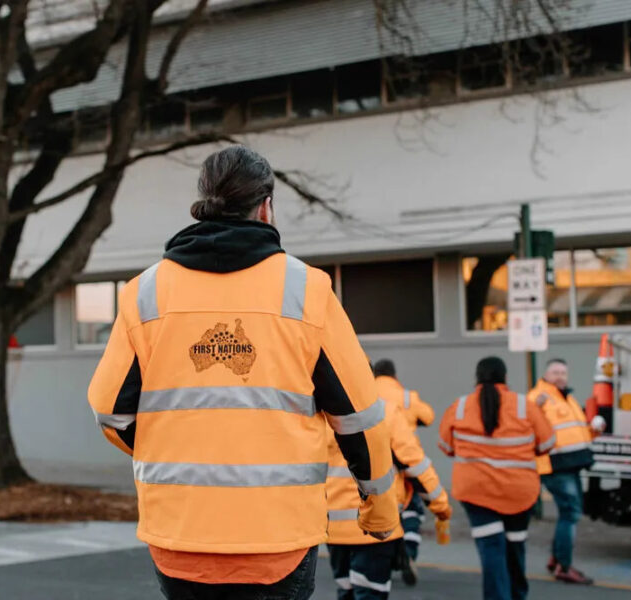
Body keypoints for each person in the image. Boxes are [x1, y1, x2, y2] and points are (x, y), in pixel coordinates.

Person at [88, 145, 399, 600]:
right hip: (278, 540)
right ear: (266, 206)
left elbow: (108, 410)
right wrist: (379, 506)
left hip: (180, 535)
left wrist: (170, 443)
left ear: (202, 203)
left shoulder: (145, 293)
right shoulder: (306, 290)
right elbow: (360, 416)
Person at [439, 357, 555, 600]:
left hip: (476, 491)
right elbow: (547, 444)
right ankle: (517, 595)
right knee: (515, 548)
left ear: (477, 378)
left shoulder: (460, 407)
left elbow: (446, 446)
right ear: (505, 377)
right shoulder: (524, 406)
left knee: (491, 549)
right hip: (519, 493)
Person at [327, 378, 451, 599]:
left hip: (334, 529)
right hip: (376, 525)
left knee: (345, 592)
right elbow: (416, 465)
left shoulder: (326, 412)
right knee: (370, 593)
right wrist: (441, 507)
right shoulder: (386, 412)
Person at [528, 358, 606, 585]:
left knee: (569, 513)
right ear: (546, 375)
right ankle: (563, 565)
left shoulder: (567, 398)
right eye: (555, 372)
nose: (560, 376)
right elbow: (527, 421)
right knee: (570, 514)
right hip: (555, 464)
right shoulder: (538, 397)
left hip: (571, 463)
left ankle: (557, 559)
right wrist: (537, 408)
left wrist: (594, 430)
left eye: (563, 372)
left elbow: (575, 434)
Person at [372, 358, 434, 583]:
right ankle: (409, 551)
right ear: (394, 376)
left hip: (376, 464)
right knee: (411, 510)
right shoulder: (407, 397)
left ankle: (384, 557)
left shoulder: (365, 393)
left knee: (382, 512)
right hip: (405, 461)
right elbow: (428, 416)